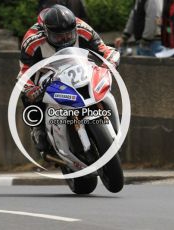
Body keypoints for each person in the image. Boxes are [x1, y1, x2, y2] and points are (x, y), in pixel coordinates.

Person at [18, 4, 120, 152]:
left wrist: (109, 63)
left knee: (101, 83)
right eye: (58, 36)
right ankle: (37, 129)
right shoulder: (31, 40)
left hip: (79, 67)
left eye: (68, 34)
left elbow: (104, 49)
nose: (65, 38)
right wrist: (31, 89)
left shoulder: (82, 28)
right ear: (46, 32)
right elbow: (23, 72)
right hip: (46, 74)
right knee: (27, 96)